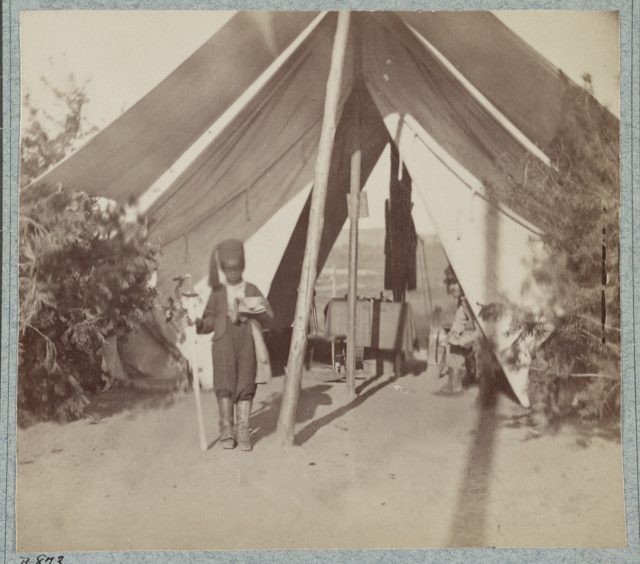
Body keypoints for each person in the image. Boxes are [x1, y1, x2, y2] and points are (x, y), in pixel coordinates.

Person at [195, 239, 273, 451]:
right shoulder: (218, 293)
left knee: (246, 383)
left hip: (247, 341)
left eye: (236, 269)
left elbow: (270, 316)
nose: (232, 273)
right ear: (222, 269)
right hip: (222, 342)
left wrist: (251, 309)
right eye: (228, 270)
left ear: (242, 267)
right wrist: (200, 324)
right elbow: (209, 319)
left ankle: (243, 428)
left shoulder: (251, 289)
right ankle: (226, 429)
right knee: (225, 385)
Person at [436, 272, 478, 397]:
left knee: (463, 342)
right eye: (450, 284)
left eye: (455, 283)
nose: (452, 287)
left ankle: (461, 381)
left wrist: (468, 338)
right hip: (477, 331)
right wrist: (453, 336)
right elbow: (460, 320)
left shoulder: (473, 298)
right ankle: (454, 382)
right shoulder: (463, 300)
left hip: (487, 333)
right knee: (453, 341)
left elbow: (484, 326)